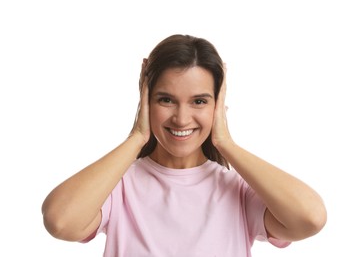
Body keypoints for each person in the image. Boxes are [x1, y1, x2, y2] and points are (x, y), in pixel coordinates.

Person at [42, 34, 327, 256]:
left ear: (218, 106)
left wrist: (225, 142)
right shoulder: (119, 187)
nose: (181, 118)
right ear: (145, 102)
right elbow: (60, 221)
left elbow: (311, 218)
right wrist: (137, 137)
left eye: (199, 101)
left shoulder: (237, 191)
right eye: (165, 99)